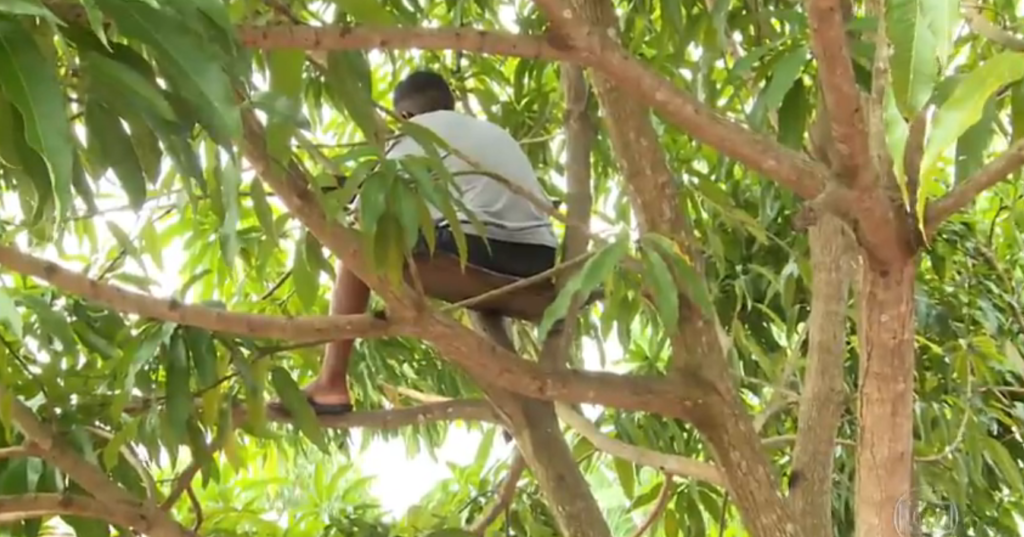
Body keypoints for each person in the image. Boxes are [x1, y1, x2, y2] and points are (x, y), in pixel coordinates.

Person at [272, 70, 559, 416]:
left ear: (405, 116)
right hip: (540, 261)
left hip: (482, 250)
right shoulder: (495, 134)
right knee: (454, 247)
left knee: (357, 248)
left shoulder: (417, 134)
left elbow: (369, 212)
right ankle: (513, 400)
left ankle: (331, 382)